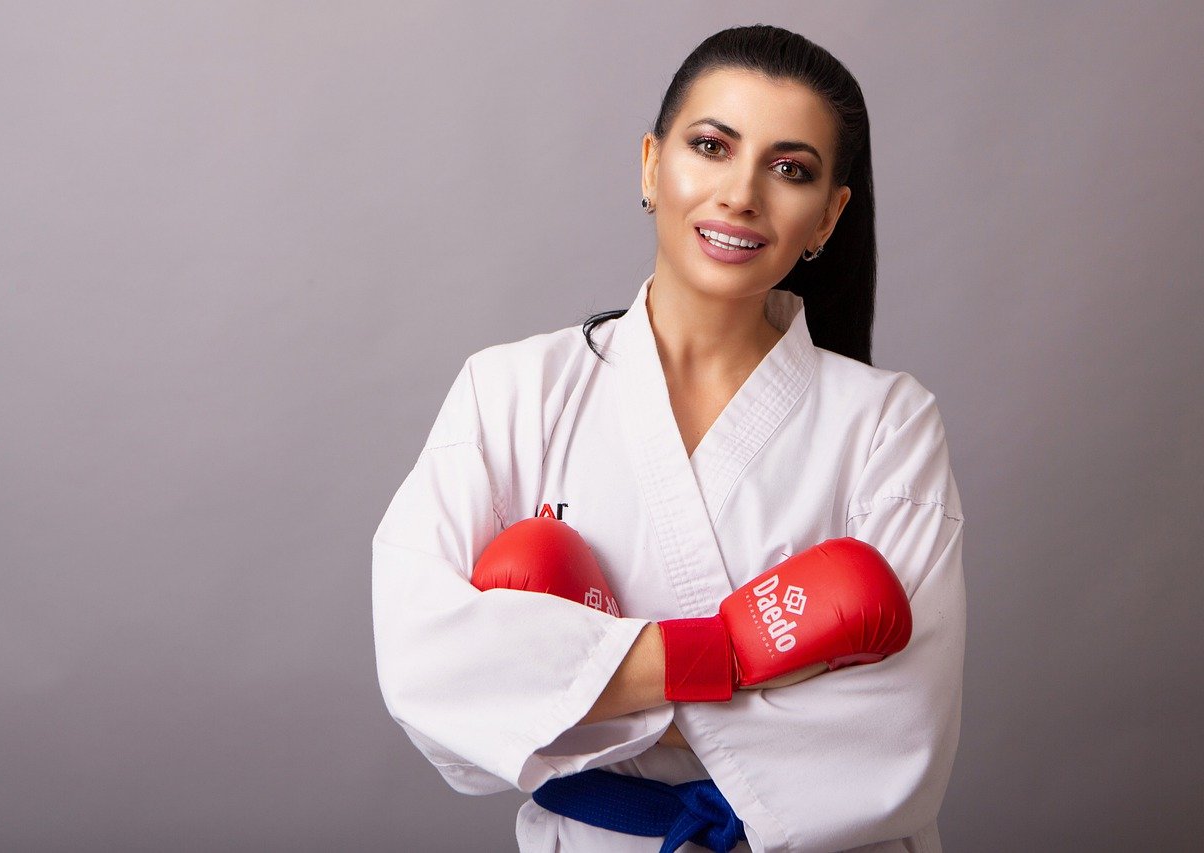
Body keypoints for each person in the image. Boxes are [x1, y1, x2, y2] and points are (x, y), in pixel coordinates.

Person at [372, 24, 966, 853]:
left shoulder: (888, 423)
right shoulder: (511, 389)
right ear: (652, 164)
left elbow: (899, 736)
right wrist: (733, 652)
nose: (741, 194)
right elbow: (428, 662)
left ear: (828, 216)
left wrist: (569, 686)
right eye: (712, 146)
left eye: (789, 168)